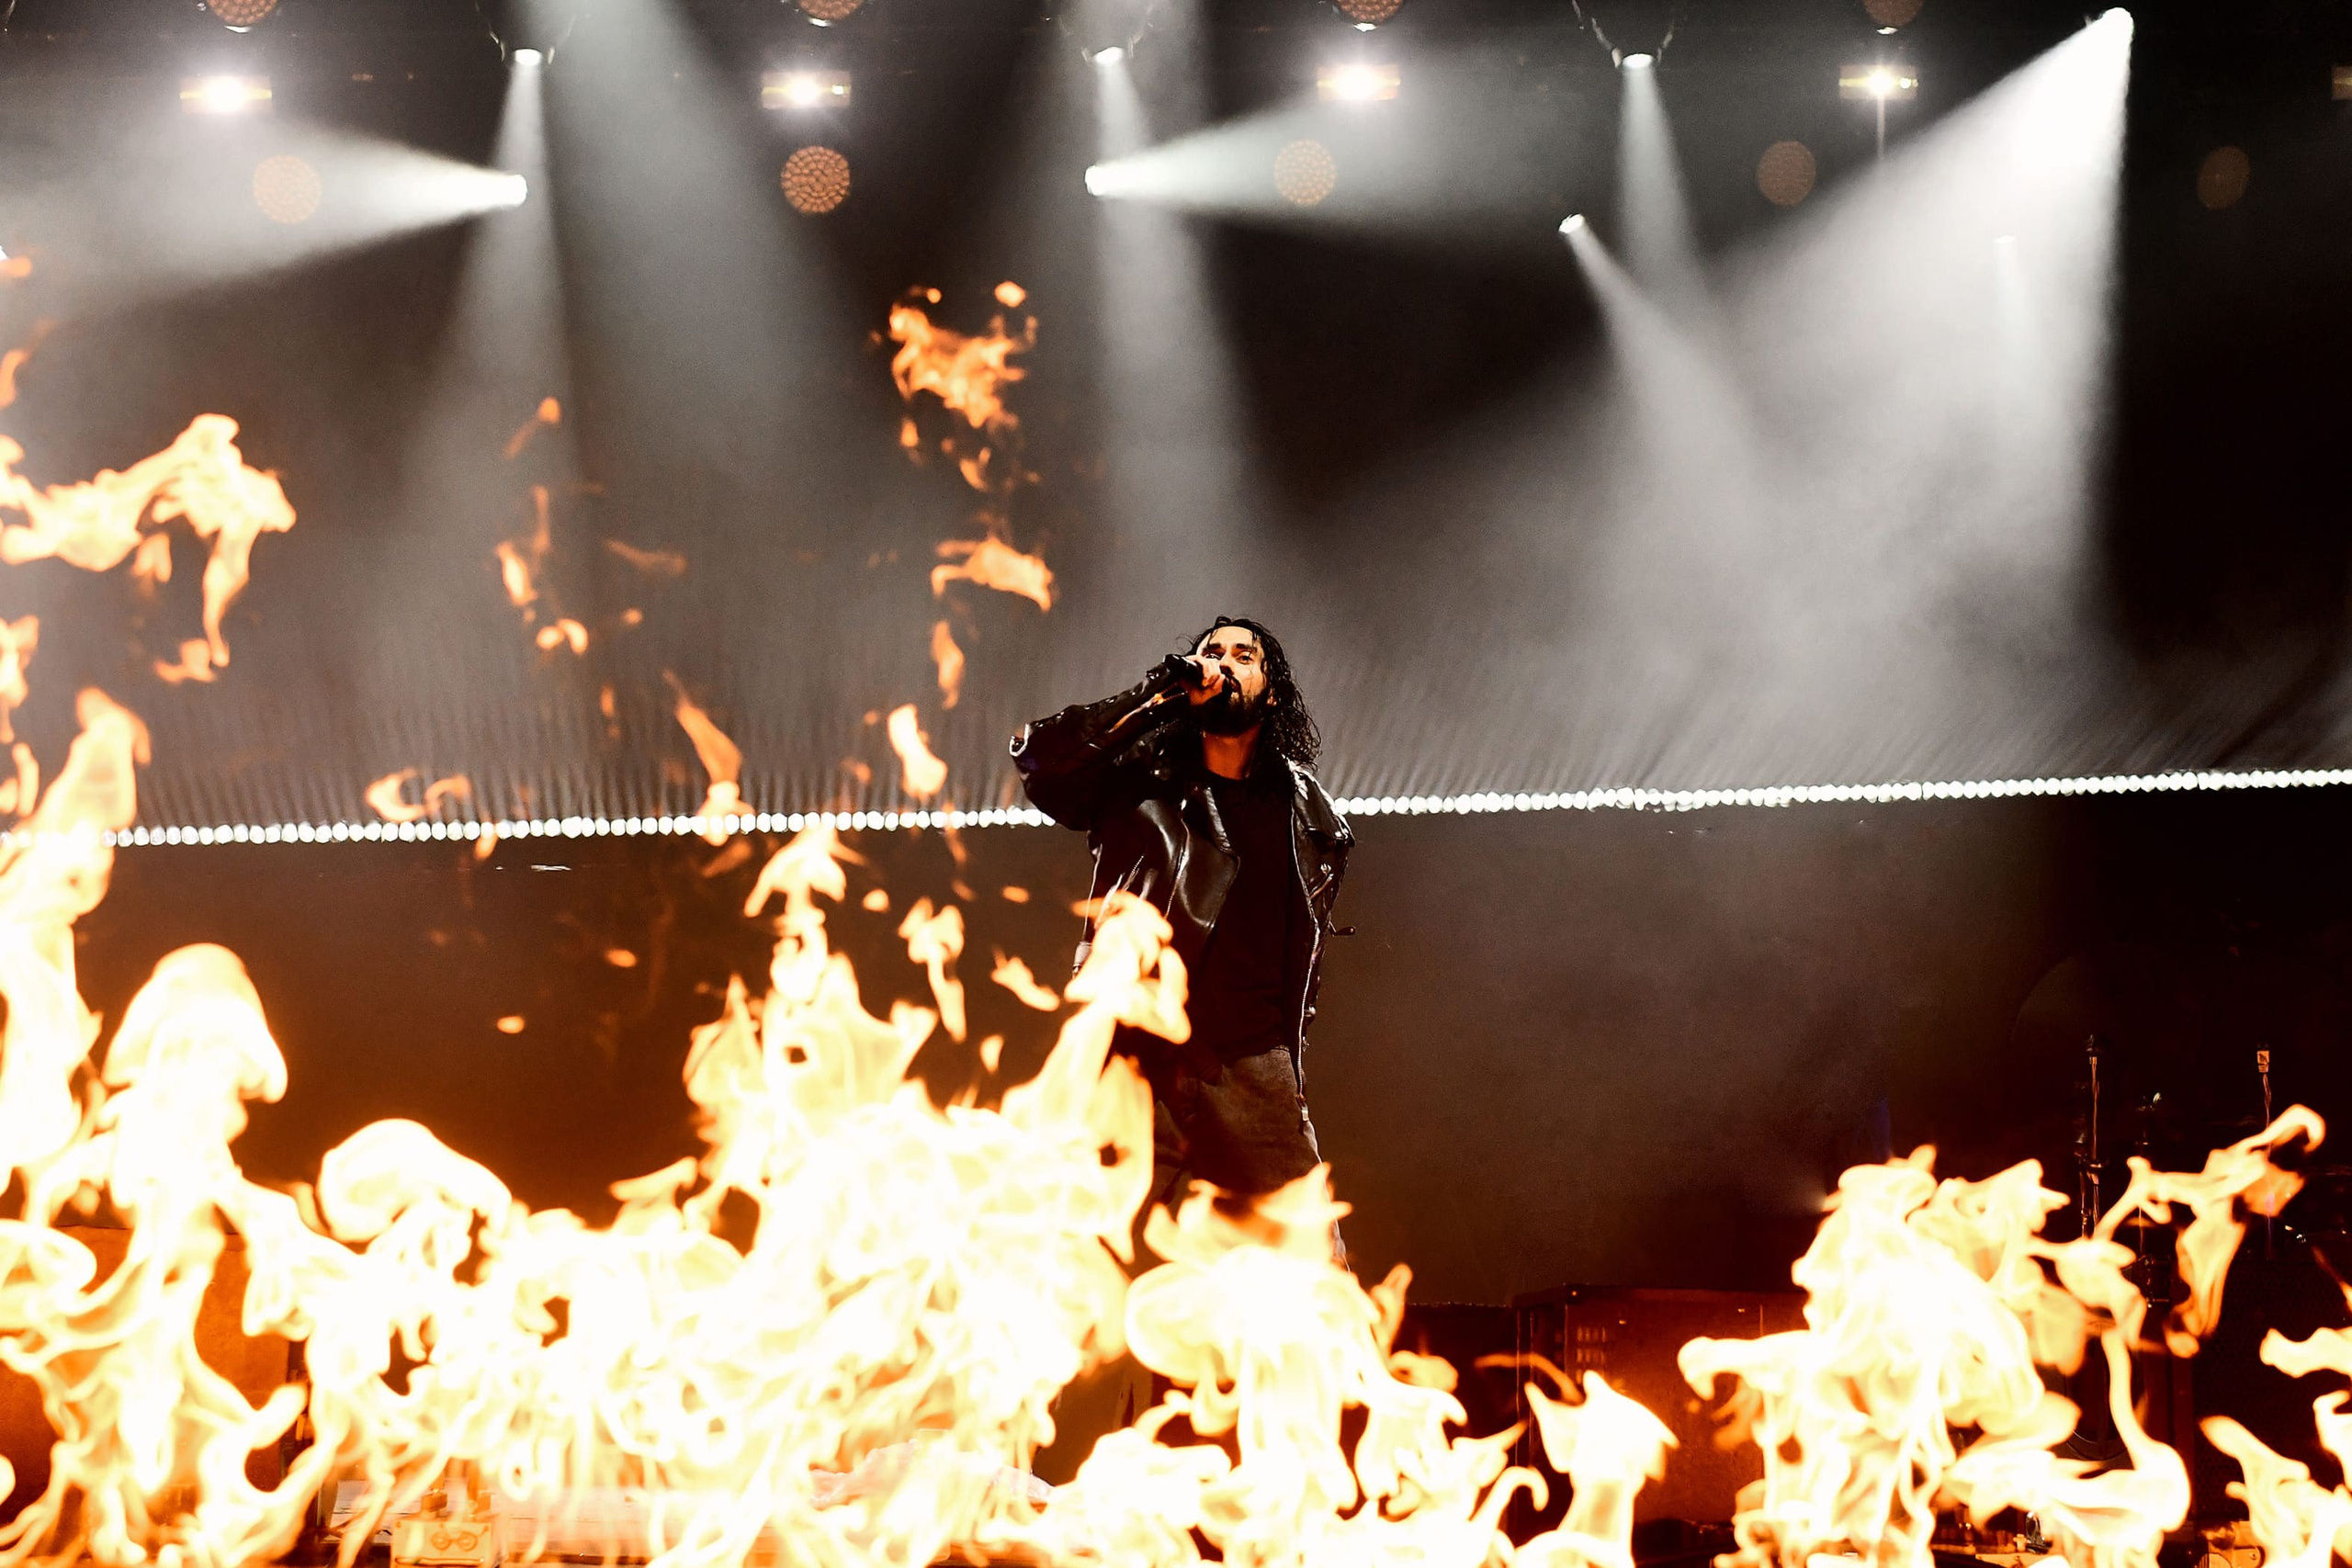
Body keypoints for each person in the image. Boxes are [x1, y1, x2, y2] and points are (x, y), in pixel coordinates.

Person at [1009, 617, 1353, 1229]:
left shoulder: (1307, 813)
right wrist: (1156, 694)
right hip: (1138, 1062)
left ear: (1270, 692)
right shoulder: (1142, 778)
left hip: (1252, 1068)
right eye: (1210, 652)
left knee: (1311, 1274)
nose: (1222, 662)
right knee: (1079, 1269)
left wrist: (1286, 1068)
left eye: (1243, 655)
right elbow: (1043, 761)